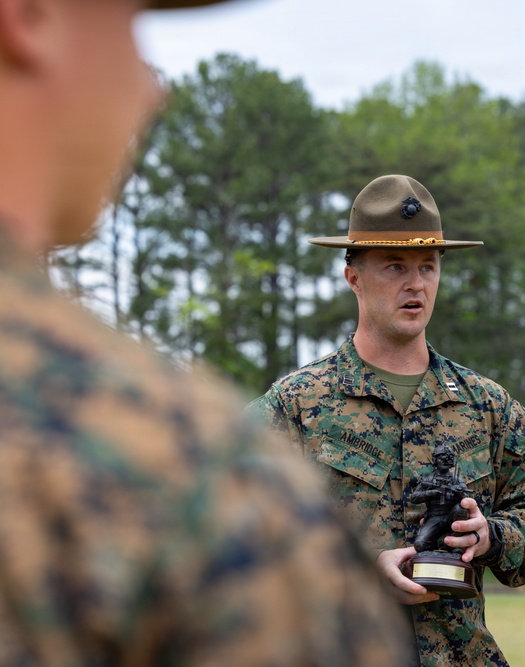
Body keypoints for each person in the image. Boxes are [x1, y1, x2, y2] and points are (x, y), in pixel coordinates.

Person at [0, 0, 411, 664]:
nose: (150, 85)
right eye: (129, 16)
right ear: (29, 14)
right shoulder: (187, 474)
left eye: (426, 265)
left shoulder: (486, 402)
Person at [249, 174, 525, 666]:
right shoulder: (296, 406)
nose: (415, 284)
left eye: (428, 266)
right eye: (394, 266)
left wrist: (490, 537)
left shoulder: (487, 407)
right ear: (353, 276)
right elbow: (231, 540)